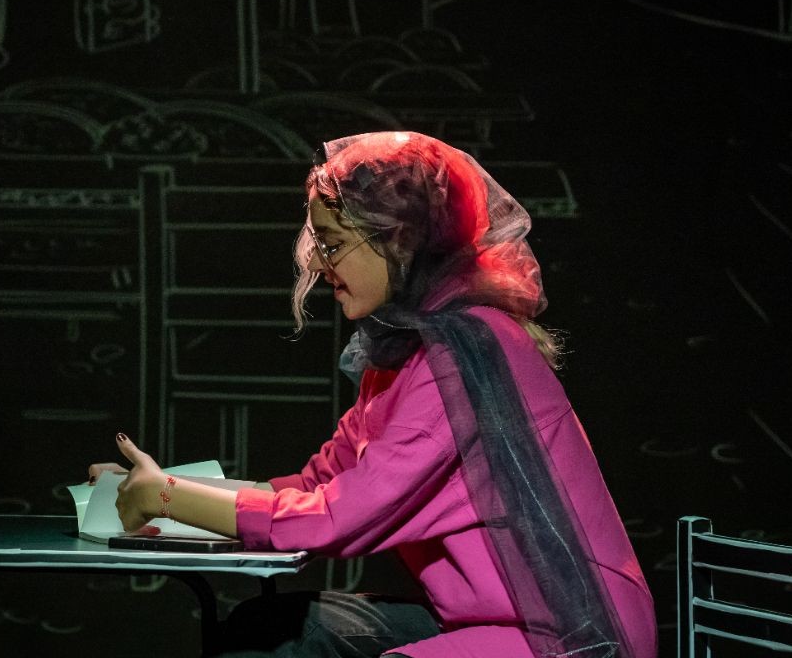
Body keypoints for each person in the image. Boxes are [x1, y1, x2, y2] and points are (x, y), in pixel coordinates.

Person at [89, 132, 657, 657]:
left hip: (569, 632)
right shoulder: (404, 353)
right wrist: (156, 487)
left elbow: (340, 517)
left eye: (333, 244)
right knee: (269, 632)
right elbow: (314, 485)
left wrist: (168, 498)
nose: (319, 265)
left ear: (400, 240)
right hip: (489, 622)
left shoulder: (467, 351)